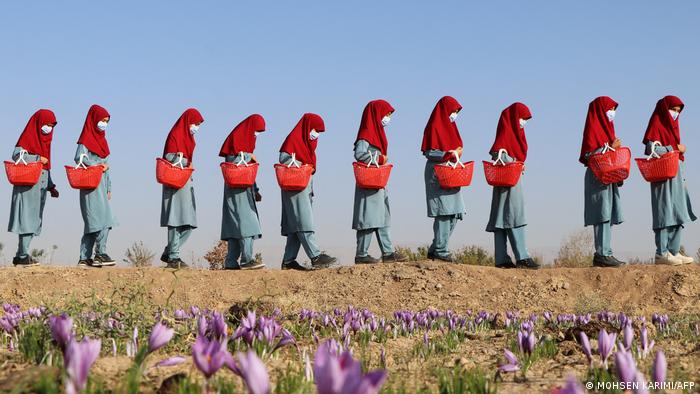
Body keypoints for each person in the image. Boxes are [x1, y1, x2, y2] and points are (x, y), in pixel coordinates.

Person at [278, 113, 337, 271]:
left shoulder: (306, 146)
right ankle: (315, 256)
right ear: (306, 127)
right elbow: (284, 158)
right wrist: (300, 164)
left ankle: (288, 261)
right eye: (315, 130)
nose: (315, 134)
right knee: (304, 222)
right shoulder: (293, 142)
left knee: (295, 226)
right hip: (295, 189)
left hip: (303, 189)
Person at [642, 95, 696, 265]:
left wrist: (679, 150)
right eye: (673, 110)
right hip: (662, 173)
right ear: (664, 110)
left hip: (676, 172)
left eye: (678, 111)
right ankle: (662, 252)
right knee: (664, 211)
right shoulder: (657, 124)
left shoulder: (674, 129)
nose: (675, 114)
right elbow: (651, 149)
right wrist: (673, 148)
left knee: (679, 210)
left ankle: (674, 250)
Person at [352, 99, 407, 264]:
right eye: (386, 114)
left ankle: (388, 253)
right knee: (368, 218)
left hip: (378, 181)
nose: (387, 118)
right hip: (368, 182)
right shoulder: (366, 134)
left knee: (383, 217)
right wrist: (379, 157)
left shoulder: (377, 134)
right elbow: (359, 154)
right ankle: (361, 254)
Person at [486, 103, 539, 269]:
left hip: (506, 184)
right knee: (515, 215)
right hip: (508, 183)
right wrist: (514, 162)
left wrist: (517, 163)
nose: (523, 122)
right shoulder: (504, 139)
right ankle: (522, 256)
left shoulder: (512, 139)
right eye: (522, 118)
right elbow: (499, 155)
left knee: (501, 218)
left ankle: (501, 259)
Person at [7, 109, 59, 266]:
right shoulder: (27, 139)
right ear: (38, 124)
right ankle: (23, 256)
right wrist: (36, 158)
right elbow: (16, 155)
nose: (48, 128)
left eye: (51, 126)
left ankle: (20, 255)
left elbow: (46, 168)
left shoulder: (45, 144)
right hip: (27, 188)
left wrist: (51, 187)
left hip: (40, 189)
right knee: (27, 221)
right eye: (46, 125)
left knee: (33, 220)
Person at [579, 96, 625, 267]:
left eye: (614, 110)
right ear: (600, 111)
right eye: (609, 110)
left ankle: (605, 252)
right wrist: (611, 148)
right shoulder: (593, 130)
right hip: (597, 178)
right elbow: (589, 155)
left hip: (608, 178)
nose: (612, 113)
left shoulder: (608, 132)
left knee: (607, 214)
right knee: (601, 215)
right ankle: (602, 254)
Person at [421, 96, 466, 262]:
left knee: (455, 213)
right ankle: (441, 250)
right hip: (437, 173)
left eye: (456, 112)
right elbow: (429, 152)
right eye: (453, 111)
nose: (454, 115)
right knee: (443, 213)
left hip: (451, 173)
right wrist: (449, 153)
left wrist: (455, 152)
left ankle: (435, 248)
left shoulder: (452, 128)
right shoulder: (434, 126)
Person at [218, 114, 266, 270]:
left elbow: (249, 171)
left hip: (245, 191)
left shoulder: (244, 151)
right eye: (256, 131)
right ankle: (247, 259)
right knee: (247, 224)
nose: (256, 135)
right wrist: (247, 156)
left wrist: (256, 190)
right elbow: (236, 166)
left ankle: (231, 262)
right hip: (237, 193)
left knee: (236, 225)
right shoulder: (234, 151)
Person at [160, 108, 203, 269]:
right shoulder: (175, 136)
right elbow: (169, 157)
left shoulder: (188, 139)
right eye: (195, 124)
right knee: (175, 220)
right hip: (174, 183)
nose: (196, 127)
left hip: (185, 182)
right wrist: (184, 162)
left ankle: (170, 251)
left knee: (189, 223)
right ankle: (173, 257)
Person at [74, 104, 117, 267]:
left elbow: (107, 168)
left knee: (101, 220)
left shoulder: (102, 141)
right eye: (102, 120)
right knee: (99, 220)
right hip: (90, 185)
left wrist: (109, 188)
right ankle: (100, 253)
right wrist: (98, 165)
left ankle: (85, 257)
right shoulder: (85, 140)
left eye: (106, 121)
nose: (104, 124)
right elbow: (80, 159)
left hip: (102, 185)